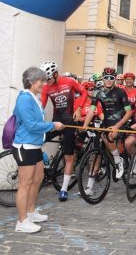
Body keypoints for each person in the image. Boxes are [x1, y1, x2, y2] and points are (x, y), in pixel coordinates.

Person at [13, 67, 64, 233]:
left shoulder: (32, 97)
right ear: (31, 82)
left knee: (38, 179)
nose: (44, 83)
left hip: (34, 146)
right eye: (41, 81)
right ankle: (22, 222)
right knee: (25, 184)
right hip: (25, 146)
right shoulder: (24, 99)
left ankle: (31, 211)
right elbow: (32, 125)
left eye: (44, 80)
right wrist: (53, 125)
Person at [40, 61, 88, 202]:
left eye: (48, 79)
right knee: (38, 140)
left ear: (55, 74)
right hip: (56, 122)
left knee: (69, 157)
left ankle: (64, 189)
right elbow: (42, 106)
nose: (46, 82)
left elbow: (84, 92)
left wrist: (78, 108)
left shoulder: (69, 81)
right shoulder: (46, 88)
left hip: (69, 123)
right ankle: (45, 163)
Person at [81, 67, 133, 195]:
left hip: (120, 122)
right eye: (106, 78)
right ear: (103, 78)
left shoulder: (120, 92)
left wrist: (118, 126)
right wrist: (85, 125)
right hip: (106, 123)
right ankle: (90, 186)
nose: (109, 80)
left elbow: (129, 112)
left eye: (111, 78)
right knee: (96, 154)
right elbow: (92, 110)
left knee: (108, 136)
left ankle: (117, 160)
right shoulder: (98, 93)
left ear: (115, 79)